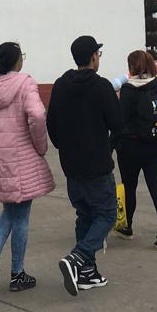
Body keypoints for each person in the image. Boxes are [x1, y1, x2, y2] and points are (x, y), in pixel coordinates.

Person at [47, 34, 124, 296]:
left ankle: (86, 273)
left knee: (84, 215)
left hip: (72, 164)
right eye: (98, 54)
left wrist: (65, 148)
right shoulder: (101, 87)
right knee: (106, 214)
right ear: (93, 57)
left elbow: (52, 126)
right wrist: (109, 147)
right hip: (97, 164)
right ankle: (77, 258)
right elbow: (117, 124)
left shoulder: (59, 85)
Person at [0, 41, 53, 293]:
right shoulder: (25, 83)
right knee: (20, 216)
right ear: (16, 60)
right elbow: (38, 115)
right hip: (21, 158)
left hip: (0, 159)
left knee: (9, 212)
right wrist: (40, 145)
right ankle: (17, 272)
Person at [114, 49, 157, 249]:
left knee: (129, 186)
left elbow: (120, 122)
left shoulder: (129, 90)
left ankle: (127, 226)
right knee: (156, 187)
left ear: (132, 67)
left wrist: (110, 147)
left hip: (131, 147)